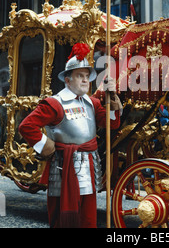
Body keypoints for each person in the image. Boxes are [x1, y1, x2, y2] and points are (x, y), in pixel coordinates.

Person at [19, 43, 122, 228]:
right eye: (79, 76)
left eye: (87, 76)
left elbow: (111, 124)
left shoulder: (92, 102)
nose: (85, 81)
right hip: (62, 168)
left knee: (88, 219)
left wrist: (110, 98)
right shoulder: (55, 104)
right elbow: (26, 126)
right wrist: (45, 145)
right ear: (67, 80)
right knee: (61, 219)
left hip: (89, 167)